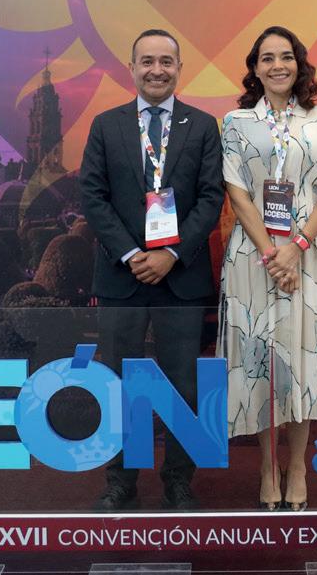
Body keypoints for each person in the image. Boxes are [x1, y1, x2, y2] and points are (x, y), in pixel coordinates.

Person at [80, 29, 224, 510]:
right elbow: (93, 196)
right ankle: (120, 482)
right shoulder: (105, 125)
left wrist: (171, 255)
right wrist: (130, 253)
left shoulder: (202, 126)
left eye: (166, 61)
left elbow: (211, 198)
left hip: (181, 277)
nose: (156, 70)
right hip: (122, 277)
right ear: (132, 67)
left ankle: (179, 481)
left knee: (183, 386)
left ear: (179, 68)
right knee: (120, 384)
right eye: (147, 61)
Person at [217, 25, 317, 511]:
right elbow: (237, 192)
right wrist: (271, 255)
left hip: (312, 251)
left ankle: (297, 465)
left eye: (286, 57)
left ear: (299, 64)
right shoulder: (237, 123)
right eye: (267, 58)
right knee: (261, 360)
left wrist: (296, 246)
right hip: (254, 255)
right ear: (255, 69)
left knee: (303, 357)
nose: (277, 65)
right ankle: (266, 465)